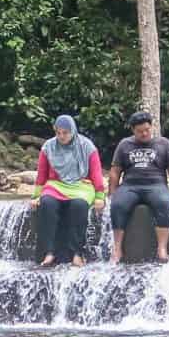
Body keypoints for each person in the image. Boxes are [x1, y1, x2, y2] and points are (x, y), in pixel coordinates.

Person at [109, 110, 169, 261]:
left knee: (163, 203)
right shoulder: (124, 144)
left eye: (147, 130)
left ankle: (162, 249)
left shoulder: (164, 144)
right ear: (133, 130)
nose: (144, 134)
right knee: (117, 205)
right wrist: (112, 193)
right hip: (130, 186)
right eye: (140, 131)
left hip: (156, 185)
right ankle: (117, 249)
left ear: (151, 127)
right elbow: (115, 171)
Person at [33, 114, 105, 266]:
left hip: (82, 185)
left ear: (73, 131)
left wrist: (100, 196)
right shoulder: (48, 147)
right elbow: (42, 174)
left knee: (79, 205)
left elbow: (96, 172)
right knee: (47, 203)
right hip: (56, 185)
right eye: (58, 132)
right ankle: (49, 252)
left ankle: (77, 253)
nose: (61, 136)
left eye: (65, 133)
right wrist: (36, 196)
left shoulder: (87, 146)